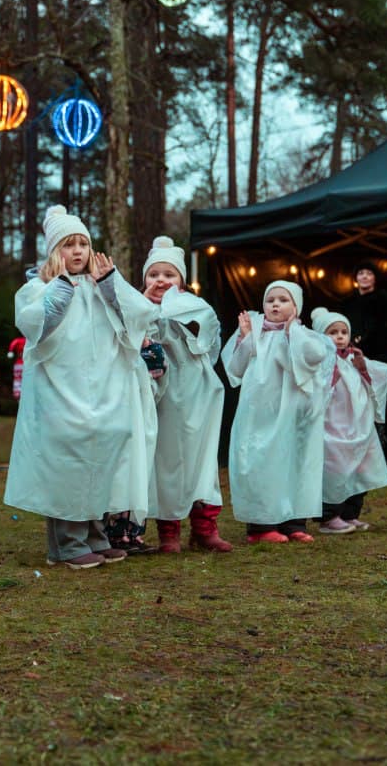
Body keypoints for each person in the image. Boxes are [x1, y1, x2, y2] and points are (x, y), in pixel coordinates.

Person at [4, 205, 157, 570]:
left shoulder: (97, 286)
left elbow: (140, 316)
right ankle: (66, 543)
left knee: (100, 459)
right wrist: (59, 293)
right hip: (61, 396)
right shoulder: (38, 289)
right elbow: (34, 324)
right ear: (56, 251)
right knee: (67, 464)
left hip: (102, 396)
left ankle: (93, 534)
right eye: (69, 245)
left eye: (83, 244)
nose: (78, 252)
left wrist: (110, 284)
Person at [220, 280, 333, 544]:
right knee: (262, 462)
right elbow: (235, 369)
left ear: (296, 306)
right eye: (270, 300)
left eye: (283, 300)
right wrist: (246, 338)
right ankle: (262, 525)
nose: (275, 305)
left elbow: (315, 357)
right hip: (260, 412)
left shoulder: (304, 334)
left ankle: (293, 521)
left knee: (295, 461)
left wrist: (292, 330)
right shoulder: (257, 333)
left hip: (293, 413)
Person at [140, 236, 231, 554]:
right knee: (167, 462)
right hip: (164, 395)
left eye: (168, 275)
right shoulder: (140, 309)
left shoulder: (196, 307)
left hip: (197, 391)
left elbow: (210, 343)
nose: (161, 280)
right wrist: (147, 309)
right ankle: (169, 531)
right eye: (154, 275)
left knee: (202, 460)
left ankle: (205, 527)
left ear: (180, 279)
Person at [310, 307, 387, 534]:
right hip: (332, 428)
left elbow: (378, 375)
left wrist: (363, 367)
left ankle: (350, 513)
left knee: (358, 469)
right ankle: (329, 516)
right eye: (332, 332)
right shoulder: (319, 362)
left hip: (357, 427)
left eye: (343, 332)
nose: (339, 337)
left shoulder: (353, 360)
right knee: (334, 470)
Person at [344, 262, 387, 363]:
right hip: (354, 351)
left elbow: (385, 325)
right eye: (361, 273)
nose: (365, 276)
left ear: (375, 278)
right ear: (356, 278)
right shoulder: (349, 302)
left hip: (379, 352)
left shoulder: (383, 298)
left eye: (369, 273)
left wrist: (362, 340)